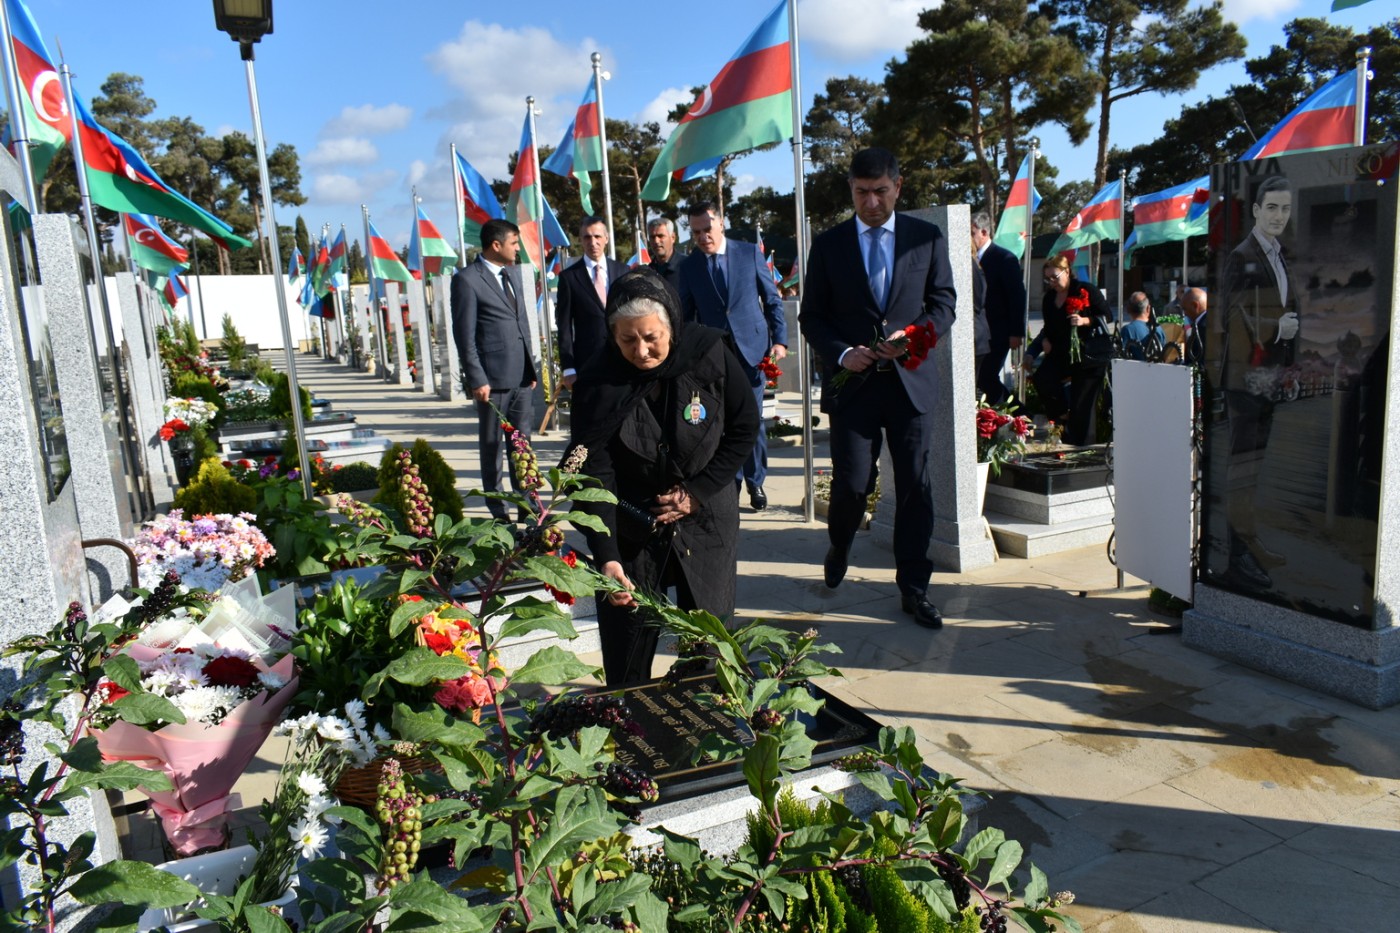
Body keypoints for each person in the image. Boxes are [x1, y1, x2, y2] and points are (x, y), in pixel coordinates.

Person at [568, 268, 759, 686]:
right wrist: (608, 557)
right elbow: (592, 473)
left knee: (709, 650)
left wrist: (699, 492)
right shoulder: (598, 382)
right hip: (633, 527)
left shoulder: (708, 352)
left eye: (652, 337)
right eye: (627, 340)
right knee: (627, 653)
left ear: (671, 324)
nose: (641, 351)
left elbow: (744, 427)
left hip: (705, 519)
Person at [799, 147, 956, 629]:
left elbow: (944, 302)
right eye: (862, 193)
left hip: (910, 385)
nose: (871, 202)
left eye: (880, 192)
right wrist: (844, 352)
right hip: (855, 387)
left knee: (914, 487)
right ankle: (840, 542)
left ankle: (914, 586)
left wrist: (912, 337)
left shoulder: (925, 239)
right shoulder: (828, 245)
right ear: (852, 190)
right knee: (850, 484)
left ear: (898, 186)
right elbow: (812, 316)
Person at [1213, 174, 1299, 591]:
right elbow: (1229, 317)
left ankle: (1248, 545)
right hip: (1245, 380)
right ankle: (1237, 557)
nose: (1279, 216)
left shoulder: (1280, 256)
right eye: (1272, 208)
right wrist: (1274, 328)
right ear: (1256, 211)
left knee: (1255, 470)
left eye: (1285, 208)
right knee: (1241, 470)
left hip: (1269, 378)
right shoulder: (1242, 255)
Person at [678, 200, 787, 511]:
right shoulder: (690, 267)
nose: (702, 237)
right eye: (696, 232)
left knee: (751, 421)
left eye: (707, 229)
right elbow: (686, 315)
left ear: (721, 223)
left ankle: (756, 481)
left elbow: (772, 300)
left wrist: (780, 341)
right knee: (721, 424)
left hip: (753, 353)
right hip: (714, 357)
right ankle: (732, 482)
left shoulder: (748, 252)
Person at [450, 218, 538, 521]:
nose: (518, 248)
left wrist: (531, 368)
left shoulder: (512, 274)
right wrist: (477, 378)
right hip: (491, 383)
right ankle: (499, 514)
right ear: (496, 245)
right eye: (514, 242)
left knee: (522, 448)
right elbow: (465, 335)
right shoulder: (467, 279)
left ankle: (529, 510)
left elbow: (520, 323)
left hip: (521, 380)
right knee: (492, 451)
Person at [1025, 254, 1111, 446]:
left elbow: (1107, 316)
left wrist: (1084, 321)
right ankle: (1062, 416)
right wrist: (1044, 341)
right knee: (1042, 379)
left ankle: (1079, 447)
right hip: (1061, 352)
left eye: (1055, 277)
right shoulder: (1049, 298)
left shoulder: (1085, 290)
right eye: (1048, 279)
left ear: (1067, 272)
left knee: (1082, 406)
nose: (1052, 282)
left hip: (1088, 354)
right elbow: (1048, 327)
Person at [556, 215, 630, 389]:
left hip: (624, 357)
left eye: (597, 236)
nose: (593, 242)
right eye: (587, 237)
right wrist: (568, 368)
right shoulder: (569, 277)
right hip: (587, 362)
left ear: (606, 238)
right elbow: (564, 326)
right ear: (581, 240)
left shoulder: (623, 270)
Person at [970, 212, 1027, 404]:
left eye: (971, 233)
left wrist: (1016, 332)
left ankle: (1020, 417)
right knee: (981, 379)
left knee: (986, 378)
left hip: (1000, 331)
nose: (968, 238)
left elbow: (1017, 296)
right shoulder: (970, 259)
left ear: (984, 232)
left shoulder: (1004, 258)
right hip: (979, 334)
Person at [1120, 292, 1165, 361]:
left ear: (1128, 310)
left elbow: (1122, 357)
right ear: (1148, 308)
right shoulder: (1158, 329)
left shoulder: (1127, 330)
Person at [646, 217, 684, 295]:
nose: (656, 241)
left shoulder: (688, 267)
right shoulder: (647, 272)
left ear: (673, 237)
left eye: (661, 236)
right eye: (652, 237)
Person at [1181, 287, 1207, 365]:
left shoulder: (1203, 327)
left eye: (1185, 309)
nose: (1184, 313)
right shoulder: (1201, 323)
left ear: (1195, 306)